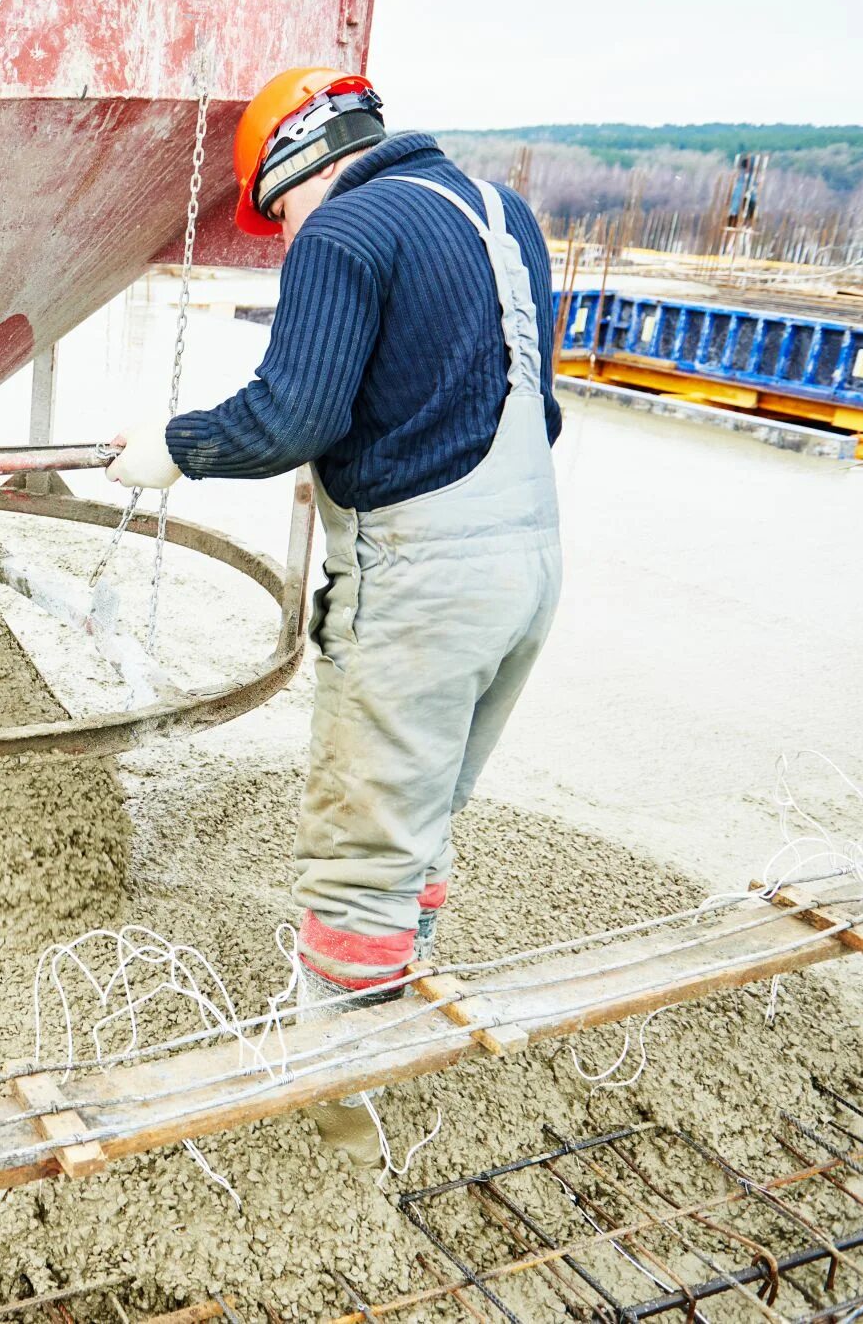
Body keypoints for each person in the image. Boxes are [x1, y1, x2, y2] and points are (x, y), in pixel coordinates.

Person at [106, 68, 564, 1010]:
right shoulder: (500, 211)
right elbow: (536, 407)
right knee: (423, 810)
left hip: (418, 587)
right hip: (528, 569)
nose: (290, 235)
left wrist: (174, 446)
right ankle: (403, 993)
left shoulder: (345, 230)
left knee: (362, 852)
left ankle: (341, 1094)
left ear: (300, 162)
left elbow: (290, 418)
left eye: (281, 212)